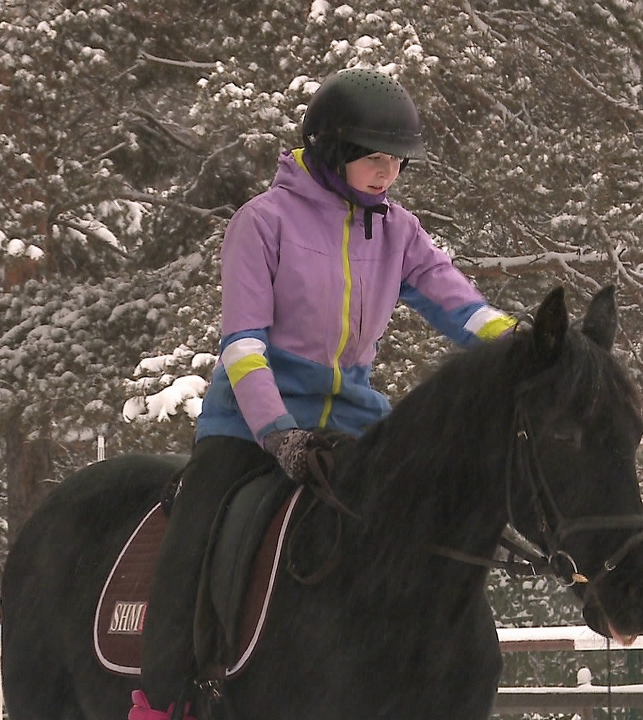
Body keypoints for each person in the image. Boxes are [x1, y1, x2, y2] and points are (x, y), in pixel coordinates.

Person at [129, 67, 517, 720]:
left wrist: (527, 347)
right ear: (333, 151)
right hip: (251, 424)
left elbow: (463, 309)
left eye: (397, 161)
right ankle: (167, 698)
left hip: (357, 421)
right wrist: (279, 432)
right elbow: (243, 346)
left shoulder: (398, 230)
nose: (386, 174)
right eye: (373, 158)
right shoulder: (263, 223)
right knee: (195, 526)